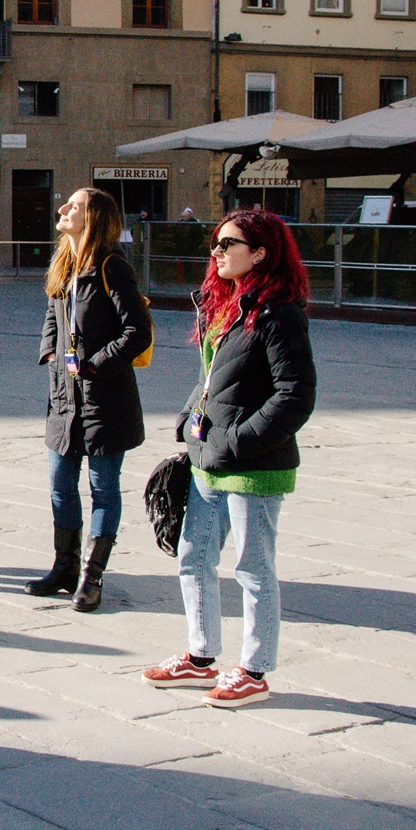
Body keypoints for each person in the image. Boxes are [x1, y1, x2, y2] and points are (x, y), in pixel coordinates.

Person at [143, 207, 315, 708]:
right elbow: (211, 376)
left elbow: (295, 394)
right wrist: (187, 420)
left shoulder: (280, 314)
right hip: (206, 456)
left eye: (227, 244)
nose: (216, 253)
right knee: (193, 556)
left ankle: (255, 670)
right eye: (215, 244)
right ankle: (200, 657)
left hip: (252, 463)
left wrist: (237, 440)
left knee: (253, 567)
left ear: (259, 253)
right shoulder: (225, 305)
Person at [28, 188, 152, 611]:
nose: (62, 210)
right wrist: (50, 354)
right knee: (61, 484)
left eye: (74, 207)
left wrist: (95, 364)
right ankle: (64, 567)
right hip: (64, 397)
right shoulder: (64, 265)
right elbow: (53, 314)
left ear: (94, 218)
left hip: (104, 398)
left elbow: (138, 331)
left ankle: (91, 577)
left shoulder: (112, 267)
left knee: (103, 487)